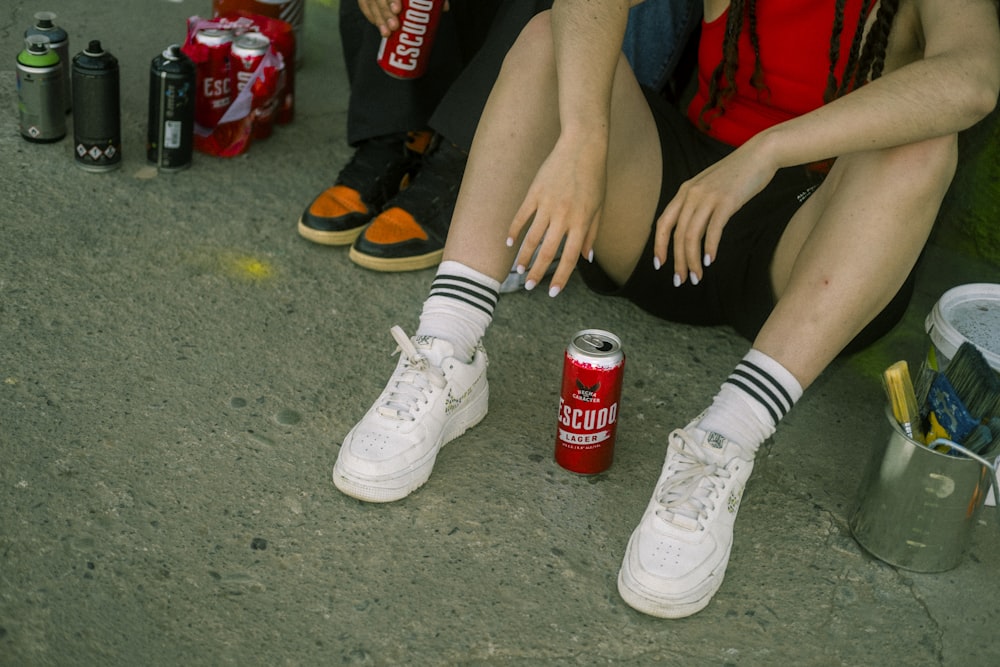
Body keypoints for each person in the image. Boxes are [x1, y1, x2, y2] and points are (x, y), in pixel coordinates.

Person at [330, 0, 1000, 621]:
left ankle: (724, 440)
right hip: (674, 207)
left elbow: (972, 77)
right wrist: (586, 137)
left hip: (815, 250)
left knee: (924, 143)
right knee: (545, 37)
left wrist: (768, 151)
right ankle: (449, 349)